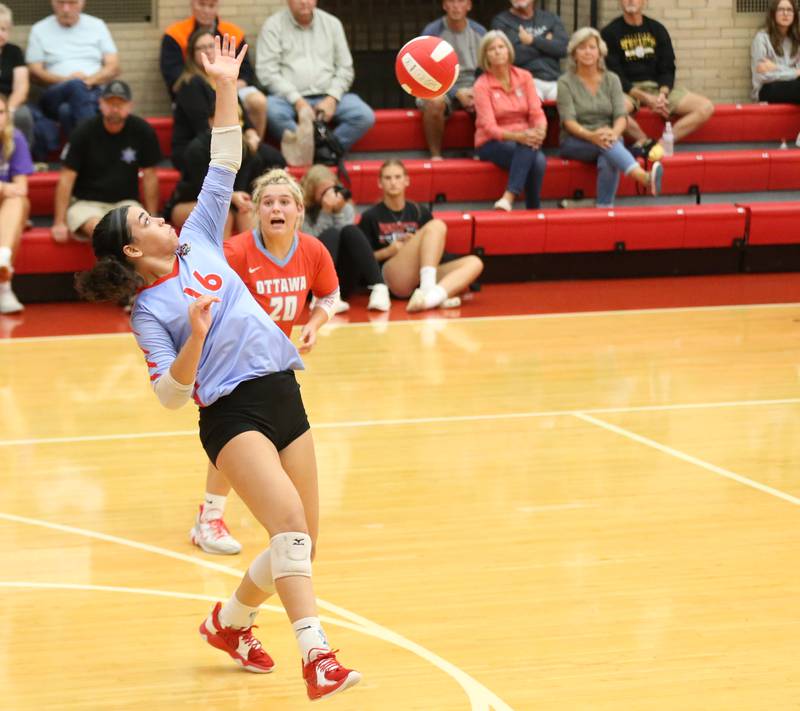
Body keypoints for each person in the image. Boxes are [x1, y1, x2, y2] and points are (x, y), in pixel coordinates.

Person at [74, 35, 360, 701]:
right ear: (131, 245)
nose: (160, 218)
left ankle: (231, 622)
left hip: (282, 387)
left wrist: (225, 85)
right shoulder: (148, 310)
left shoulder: (200, 235)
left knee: (303, 543)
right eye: (146, 218)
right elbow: (171, 395)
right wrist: (196, 337)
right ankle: (316, 655)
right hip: (231, 413)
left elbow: (226, 157)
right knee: (287, 524)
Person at [190, 167, 343, 556]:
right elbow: (204, 288)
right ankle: (210, 515)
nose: (277, 208)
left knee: (268, 441)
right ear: (257, 211)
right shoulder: (237, 252)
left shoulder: (312, 250)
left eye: (285, 202)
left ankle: (276, 520)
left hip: (273, 366)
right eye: (268, 202)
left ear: (299, 211)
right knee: (238, 435)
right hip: (230, 362)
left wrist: (314, 323)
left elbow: (329, 295)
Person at [256, 0, 375, 164]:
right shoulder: (273, 26)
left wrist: (332, 98)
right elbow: (266, 72)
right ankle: (319, 153)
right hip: (287, 99)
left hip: (329, 95)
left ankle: (324, 151)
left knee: (364, 115)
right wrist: (297, 101)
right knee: (271, 111)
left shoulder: (332, 24)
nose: (304, 2)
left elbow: (345, 68)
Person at [557, 27, 663, 208]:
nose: (588, 52)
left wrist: (614, 132)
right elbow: (568, 121)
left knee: (608, 156)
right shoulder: (565, 82)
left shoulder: (612, 79)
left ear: (600, 52)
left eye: (592, 47)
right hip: (576, 140)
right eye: (582, 48)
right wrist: (591, 136)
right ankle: (642, 177)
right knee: (609, 147)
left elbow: (621, 116)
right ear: (574, 53)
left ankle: (603, 207)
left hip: (609, 137)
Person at [359, 159, 483, 312]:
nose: (393, 182)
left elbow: (438, 253)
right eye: (388, 178)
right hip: (393, 275)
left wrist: (418, 243)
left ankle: (430, 299)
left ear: (407, 181)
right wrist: (389, 251)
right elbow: (362, 259)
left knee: (475, 262)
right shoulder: (370, 216)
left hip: (420, 274)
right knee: (437, 225)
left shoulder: (420, 212)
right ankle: (430, 290)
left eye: (398, 177)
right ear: (380, 182)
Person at [51, 80, 161, 244]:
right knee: (100, 229)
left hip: (126, 203)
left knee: (133, 228)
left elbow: (150, 176)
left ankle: (116, 267)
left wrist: (152, 217)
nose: (115, 109)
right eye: (110, 103)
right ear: (100, 104)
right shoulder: (83, 132)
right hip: (85, 204)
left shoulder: (143, 131)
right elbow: (66, 179)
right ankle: (116, 267)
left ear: (130, 106)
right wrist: (59, 222)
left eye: (120, 104)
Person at [601, 0, 714, 157]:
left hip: (657, 87)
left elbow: (667, 67)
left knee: (706, 107)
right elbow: (616, 75)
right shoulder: (609, 32)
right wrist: (645, 98)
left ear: (644, 2)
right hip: (628, 90)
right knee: (611, 109)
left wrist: (663, 94)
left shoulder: (657, 29)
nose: (631, 0)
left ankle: (663, 144)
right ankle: (646, 142)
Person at [164, 113, 285, 239]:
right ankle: (218, 257)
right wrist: (232, 196)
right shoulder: (196, 149)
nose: (230, 125)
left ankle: (256, 256)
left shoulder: (246, 150)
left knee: (248, 211)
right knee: (222, 213)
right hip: (188, 203)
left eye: (236, 120)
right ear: (211, 121)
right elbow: (202, 189)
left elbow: (244, 189)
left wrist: (242, 200)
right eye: (224, 119)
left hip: (229, 203)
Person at [160, 0, 268, 140]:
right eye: (202, 4)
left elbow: (246, 73)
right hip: (196, 88)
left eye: (211, 6)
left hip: (230, 85)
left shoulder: (233, 33)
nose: (206, 10)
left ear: (218, 6)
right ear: (192, 4)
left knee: (258, 101)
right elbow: (174, 78)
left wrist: (227, 86)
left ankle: (253, 145)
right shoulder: (175, 34)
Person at [473, 30, 547, 211]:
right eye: (492, 49)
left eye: (501, 47)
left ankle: (510, 198)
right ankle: (531, 207)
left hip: (525, 138)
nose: (497, 52)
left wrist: (541, 130)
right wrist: (520, 137)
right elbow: (489, 127)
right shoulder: (481, 85)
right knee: (536, 158)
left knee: (537, 159)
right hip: (493, 142)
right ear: (486, 56)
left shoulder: (525, 77)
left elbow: (536, 112)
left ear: (509, 51)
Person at [301, 164, 390, 312]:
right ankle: (324, 296)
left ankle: (379, 288)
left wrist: (336, 211)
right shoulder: (302, 211)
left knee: (350, 230)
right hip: (314, 282)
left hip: (343, 278)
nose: (330, 195)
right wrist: (326, 212)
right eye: (324, 191)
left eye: (333, 189)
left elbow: (347, 239)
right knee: (331, 234)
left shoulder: (345, 208)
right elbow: (310, 243)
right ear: (312, 191)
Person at [172, 28, 263, 172]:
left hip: (232, 141)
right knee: (257, 159)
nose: (208, 51)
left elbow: (241, 111)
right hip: (198, 149)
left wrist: (251, 132)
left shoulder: (222, 78)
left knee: (273, 158)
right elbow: (204, 128)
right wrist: (242, 142)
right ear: (192, 54)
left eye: (211, 46)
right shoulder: (191, 83)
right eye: (201, 48)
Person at [26, 0, 120, 139]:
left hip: (93, 91)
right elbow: (34, 71)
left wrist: (88, 81)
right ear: (52, 2)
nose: (65, 9)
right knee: (75, 87)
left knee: (67, 110)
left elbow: (114, 66)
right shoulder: (39, 29)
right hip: (55, 94)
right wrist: (68, 82)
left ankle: (77, 150)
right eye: (60, 2)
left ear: (82, 3)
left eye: (72, 3)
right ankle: (94, 146)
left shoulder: (97, 25)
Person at [419, 0, 486, 159]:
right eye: (451, 1)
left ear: (469, 5)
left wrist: (476, 90)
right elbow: (424, 72)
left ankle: (484, 152)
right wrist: (456, 92)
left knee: (489, 97)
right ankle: (435, 155)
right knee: (434, 101)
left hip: (473, 83)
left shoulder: (480, 32)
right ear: (444, 6)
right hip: (438, 84)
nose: (456, 6)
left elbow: (489, 68)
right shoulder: (432, 31)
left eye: (461, 1)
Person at [490, 0, 567, 101]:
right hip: (523, 81)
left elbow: (563, 49)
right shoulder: (501, 21)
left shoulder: (550, 18)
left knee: (568, 102)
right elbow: (512, 56)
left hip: (554, 80)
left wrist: (532, 41)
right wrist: (546, 43)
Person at [0, 93, 32, 314]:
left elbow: (21, 187)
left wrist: (6, 191)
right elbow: (11, 187)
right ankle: (4, 286)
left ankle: (2, 257)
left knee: (18, 200)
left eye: (1, 112)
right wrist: (3, 187)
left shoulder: (15, 138)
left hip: (7, 207)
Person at [751, 0, 800, 103]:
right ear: (773, 13)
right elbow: (764, 76)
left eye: (789, 10)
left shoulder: (796, 39)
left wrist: (776, 68)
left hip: (793, 86)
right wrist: (794, 72)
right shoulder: (762, 38)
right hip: (766, 89)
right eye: (781, 9)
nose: (785, 13)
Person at [0, 4, 34, 147]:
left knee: (23, 115)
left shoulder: (15, 52)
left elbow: (22, 87)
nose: (0, 34)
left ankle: (24, 161)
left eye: (3, 29)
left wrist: (9, 110)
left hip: (9, 103)